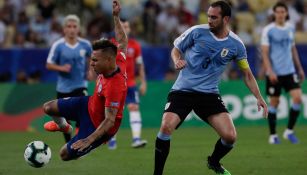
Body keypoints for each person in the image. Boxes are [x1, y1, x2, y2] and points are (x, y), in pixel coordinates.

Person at [153, 1, 268, 175]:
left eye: (214, 17)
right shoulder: (197, 32)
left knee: (230, 137)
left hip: (209, 94)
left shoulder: (236, 45)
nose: (209, 20)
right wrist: (177, 60)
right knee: (166, 127)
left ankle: (214, 162)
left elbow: (247, 74)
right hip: (183, 90)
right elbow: (176, 49)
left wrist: (259, 97)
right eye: (208, 16)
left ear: (226, 19)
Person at [43, 0, 128, 161]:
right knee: (48, 108)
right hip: (87, 104)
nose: (91, 63)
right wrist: (116, 17)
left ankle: (88, 143)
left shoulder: (115, 86)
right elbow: (123, 41)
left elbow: (109, 121)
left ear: (109, 61)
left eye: (95, 60)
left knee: (64, 155)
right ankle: (64, 126)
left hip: (97, 125)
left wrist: (89, 139)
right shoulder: (119, 59)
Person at [261, 2, 305, 145]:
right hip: (274, 73)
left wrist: (299, 68)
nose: (280, 14)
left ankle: (289, 131)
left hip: (289, 71)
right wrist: (270, 71)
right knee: (275, 102)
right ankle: (273, 135)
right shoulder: (268, 30)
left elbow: (292, 49)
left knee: (297, 99)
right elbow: (265, 53)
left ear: (286, 13)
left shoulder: (290, 28)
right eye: (278, 12)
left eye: (282, 12)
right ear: (274, 14)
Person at [45, 14, 93, 143]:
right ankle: (69, 144)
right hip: (63, 87)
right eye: (69, 26)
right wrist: (61, 68)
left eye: (74, 26)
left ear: (78, 29)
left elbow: (93, 59)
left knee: (82, 112)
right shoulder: (58, 45)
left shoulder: (85, 44)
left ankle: (79, 141)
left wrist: (91, 71)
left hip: (80, 85)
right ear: (64, 29)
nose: (72, 29)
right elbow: (49, 64)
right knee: (65, 120)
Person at [108, 19, 148, 149]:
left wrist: (143, 82)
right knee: (114, 111)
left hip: (130, 83)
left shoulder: (135, 45)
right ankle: (111, 139)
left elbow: (140, 65)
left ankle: (136, 139)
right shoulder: (110, 45)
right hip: (114, 84)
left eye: (127, 27)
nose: (125, 29)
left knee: (133, 108)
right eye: (122, 27)